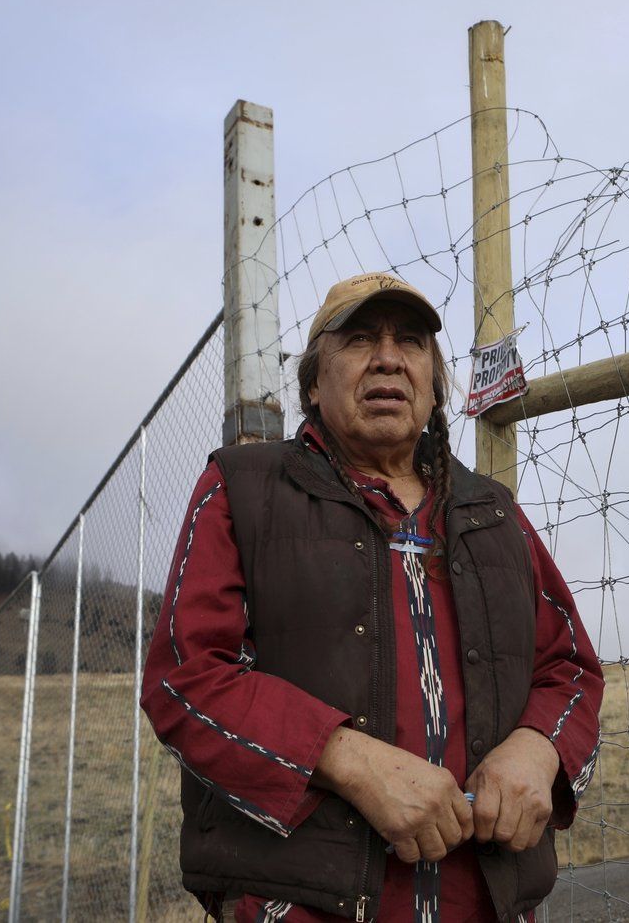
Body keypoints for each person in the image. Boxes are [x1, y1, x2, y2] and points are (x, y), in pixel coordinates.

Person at [140, 272, 604, 922]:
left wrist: (537, 748)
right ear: (312, 382)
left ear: (433, 384)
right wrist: (350, 760)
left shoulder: (493, 513)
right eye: (359, 339)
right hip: (304, 903)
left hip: (489, 902)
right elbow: (185, 679)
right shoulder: (243, 491)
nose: (388, 356)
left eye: (411, 342)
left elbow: (570, 668)